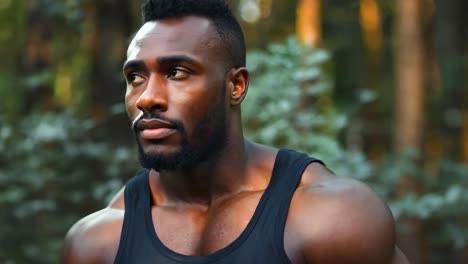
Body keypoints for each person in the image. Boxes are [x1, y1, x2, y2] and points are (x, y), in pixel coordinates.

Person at [61, 0, 409, 263]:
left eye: (177, 72)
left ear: (236, 86)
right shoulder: (98, 242)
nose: (147, 97)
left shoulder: (332, 218)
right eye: (135, 77)